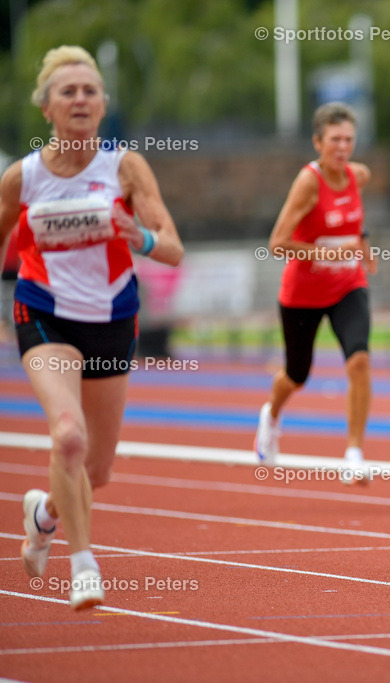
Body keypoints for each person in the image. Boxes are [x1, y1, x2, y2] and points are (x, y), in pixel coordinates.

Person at [0, 46, 184, 609]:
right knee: (67, 436)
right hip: (44, 310)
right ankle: (84, 565)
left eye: (89, 91)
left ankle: (43, 514)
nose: (80, 99)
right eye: (67, 91)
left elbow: (173, 249)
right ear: (46, 109)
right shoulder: (22, 178)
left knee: (96, 468)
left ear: (103, 105)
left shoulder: (124, 167)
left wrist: (139, 237)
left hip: (112, 319)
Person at [255, 103, 376, 472]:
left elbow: (354, 221)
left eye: (349, 140)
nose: (343, 147)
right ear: (318, 142)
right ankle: (271, 415)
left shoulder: (359, 175)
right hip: (303, 294)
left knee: (359, 360)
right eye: (335, 140)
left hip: (347, 286)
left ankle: (354, 453)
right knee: (297, 374)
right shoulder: (309, 182)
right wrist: (328, 250)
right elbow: (277, 242)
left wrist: (363, 244)